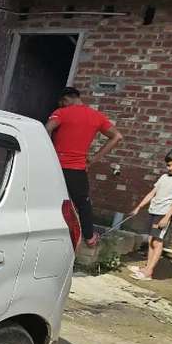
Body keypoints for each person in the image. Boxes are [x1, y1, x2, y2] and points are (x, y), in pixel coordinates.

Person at [46, 87, 123, 247]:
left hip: (54, 167)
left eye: (61, 102)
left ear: (65, 99)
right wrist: (94, 159)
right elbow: (117, 136)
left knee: (49, 200)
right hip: (76, 170)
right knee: (82, 203)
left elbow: (47, 128)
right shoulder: (97, 116)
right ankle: (89, 237)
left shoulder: (61, 112)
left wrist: (47, 153)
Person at [128, 149, 172, 280]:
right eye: (168, 165)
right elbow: (152, 193)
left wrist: (166, 217)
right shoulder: (164, 177)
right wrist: (139, 207)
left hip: (163, 214)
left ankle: (148, 272)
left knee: (157, 242)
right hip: (153, 211)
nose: (171, 168)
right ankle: (146, 267)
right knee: (151, 240)